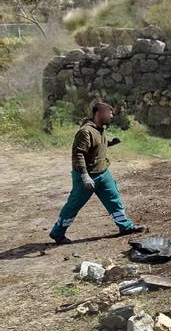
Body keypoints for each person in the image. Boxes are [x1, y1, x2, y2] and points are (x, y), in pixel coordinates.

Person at [49, 102, 145, 244]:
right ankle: (57, 233)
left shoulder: (101, 129)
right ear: (99, 113)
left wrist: (111, 143)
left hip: (103, 173)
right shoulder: (85, 132)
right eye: (109, 113)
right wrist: (85, 176)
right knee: (73, 205)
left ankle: (125, 226)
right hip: (87, 176)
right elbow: (79, 155)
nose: (112, 116)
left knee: (114, 199)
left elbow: (97, 145)